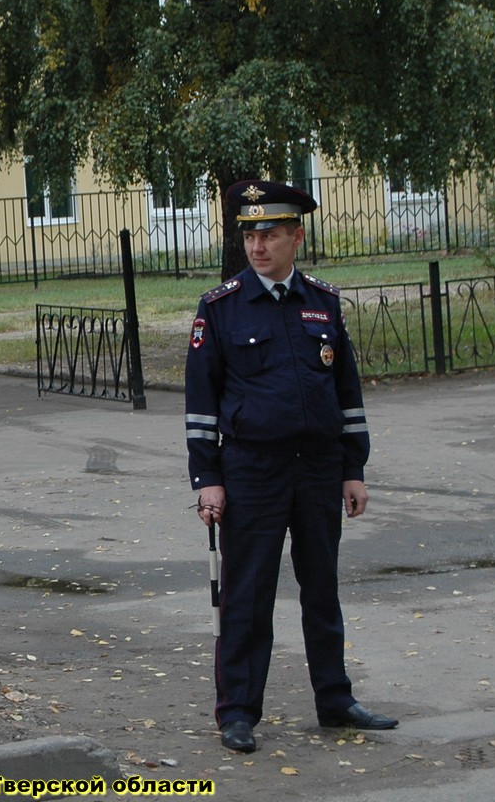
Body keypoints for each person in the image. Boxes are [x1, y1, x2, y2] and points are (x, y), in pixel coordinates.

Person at [185, 179, 399, 754]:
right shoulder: (221, 308)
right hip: (252, 469)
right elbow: (201, 405)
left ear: (296, 237)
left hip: (318, 469)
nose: (258, 246)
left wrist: (353, 468)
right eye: (251, 235)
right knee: (248, 595)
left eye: (271, 235)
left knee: (321, 589)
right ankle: (237, 713)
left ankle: (335, 700)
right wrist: (207, 479)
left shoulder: (322, 304)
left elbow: (347, 394)